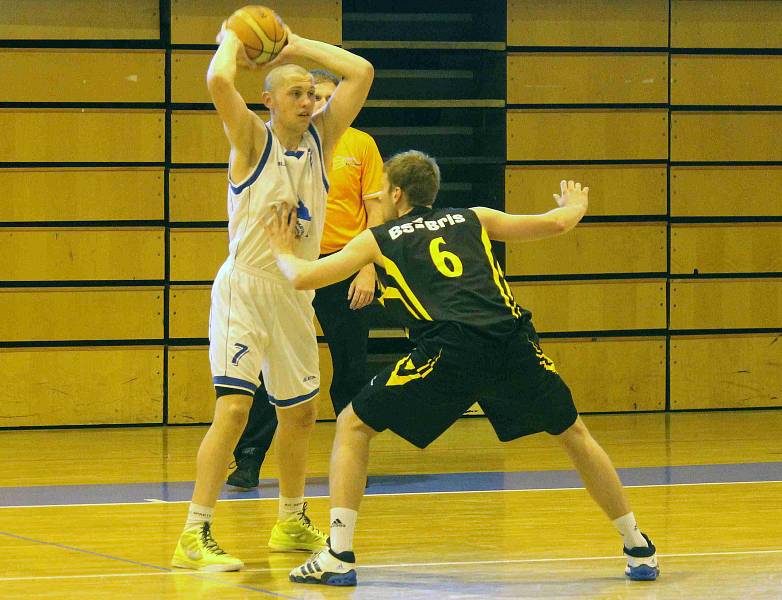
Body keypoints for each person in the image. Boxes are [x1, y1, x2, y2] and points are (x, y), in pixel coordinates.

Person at [263, 150, 660, 586]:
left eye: (383, 189)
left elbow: (303, 277)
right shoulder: (475, 216)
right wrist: (576, 205)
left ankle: (339, 554)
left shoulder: (378, 237)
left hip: (450, 347)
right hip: (511, 342)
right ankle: (637, 545)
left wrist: (282, 248)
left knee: (353, 424)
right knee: (575, 435)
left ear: (397, 193)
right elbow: (556, 223)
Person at [170, 20, 373, 572]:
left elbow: (362, 71)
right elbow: (217, 80)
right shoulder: (252, 139)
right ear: (269, 100)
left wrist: (294, 46)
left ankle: (290, 518)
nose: (308, 101)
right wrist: (234, 36)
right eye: (297, 93)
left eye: (312, 93)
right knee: (234, 409)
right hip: (246, 289)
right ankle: (195, 531)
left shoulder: (323, 140)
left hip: (293, 291)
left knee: (302, 413)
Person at [227, 70, 384, 490]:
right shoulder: (291, 140)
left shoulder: (357, 143)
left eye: (323, 96)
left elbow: (376, 208)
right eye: (311, 96)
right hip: (286, 270)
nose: (317, 104)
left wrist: (368, 265)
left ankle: (352, 460)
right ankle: (249, 457)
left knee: (350, 370)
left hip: (344, 266)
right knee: (265, 372)